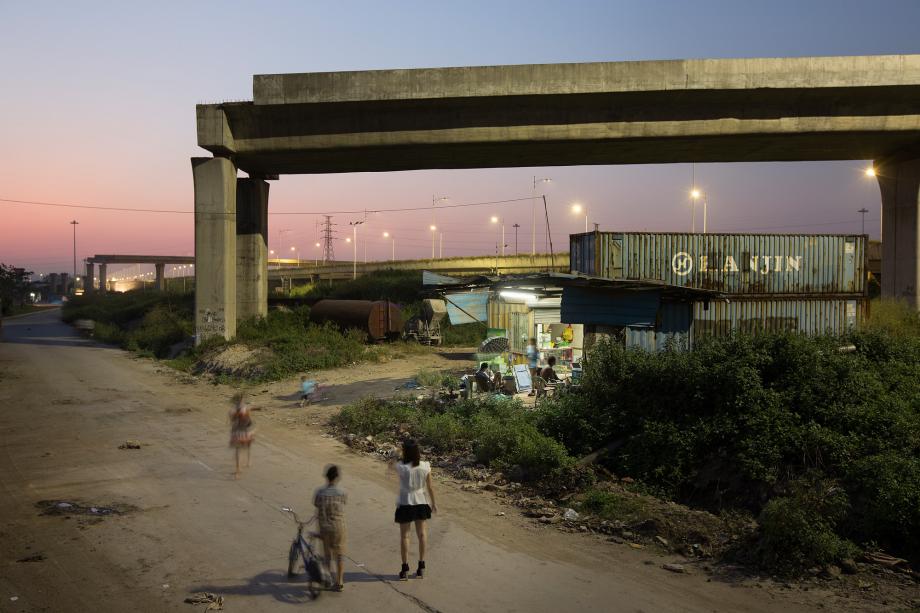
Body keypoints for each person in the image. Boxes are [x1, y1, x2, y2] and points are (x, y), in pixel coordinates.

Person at [388, 439, 437, 580]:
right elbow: (430, 487)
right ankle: (421, 566)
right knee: (422, 534)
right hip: (421, 501)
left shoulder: (401, 467)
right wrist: (434, 503)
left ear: (405, 452)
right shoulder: (425, 466)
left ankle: (405, 568)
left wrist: (398, 451)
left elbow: (390, 465)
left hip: (405, 502)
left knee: (405, 536)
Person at [313, 464, 347, 592]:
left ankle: (327, 579)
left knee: (327, 555)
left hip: (325, 527)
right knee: (339, 555)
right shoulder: (342, 492)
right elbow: (344, 503)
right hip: (339, 527)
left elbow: (316, 504)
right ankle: (340, 581)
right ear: (337, 478)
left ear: (326, 477)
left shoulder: (319, 492)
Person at [229, 392, 255, 479]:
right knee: (238, 450)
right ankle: (238, 469)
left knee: (248, 445)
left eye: (242, 401)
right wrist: (237, 414)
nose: (241, 403)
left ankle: (248, 459)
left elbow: (249, 421)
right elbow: (232, 421)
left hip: (245, 429)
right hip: (238, 431)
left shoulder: (245, 409)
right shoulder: (232, 410)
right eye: (239, 401)